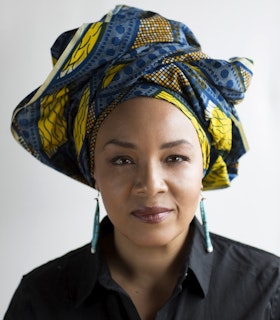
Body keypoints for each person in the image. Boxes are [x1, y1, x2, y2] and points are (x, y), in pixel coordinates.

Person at [4, 5, 280, 320]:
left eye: (175, 158)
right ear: (92, 170)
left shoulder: (268, 292)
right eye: (122, 160)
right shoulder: (39, 301)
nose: (150, 185)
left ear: (203, 166)